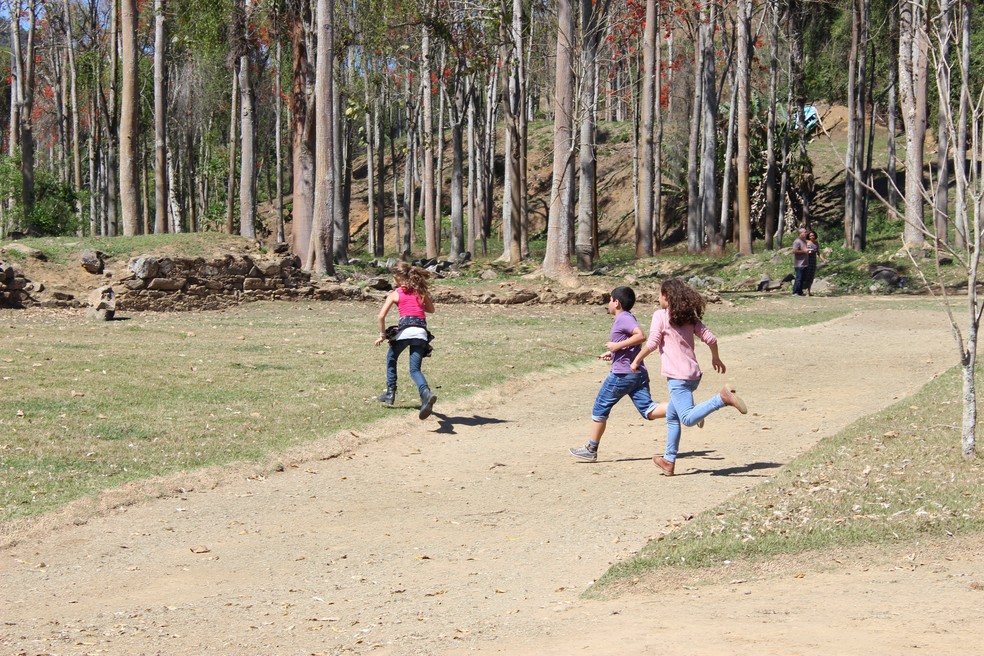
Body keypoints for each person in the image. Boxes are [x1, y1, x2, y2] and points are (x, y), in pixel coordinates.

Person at [631, 278, 748, 476]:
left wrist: (636, 361)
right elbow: (711, 338)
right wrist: (715, 357)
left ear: (666, 297)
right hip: (693, 375)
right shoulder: (689, 317)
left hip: (678, 378)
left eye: (660, 295)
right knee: (672, 416)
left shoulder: (660, 316)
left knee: (686, 418)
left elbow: (652, 343)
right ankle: (669, 460)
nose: (658, 298)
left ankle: (722, 398)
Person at [569, 286, 666, 462]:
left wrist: (616, 347)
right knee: (648, 410)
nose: (608, 303)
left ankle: (591, 449)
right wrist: (613, 353)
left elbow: (641, 336)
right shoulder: (626, 318)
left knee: (599, 408)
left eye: (610, 300)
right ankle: (684, 409)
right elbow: (630, 344)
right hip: (637, 373)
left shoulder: (623, 319)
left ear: (617, 302)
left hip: (622, 375)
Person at [373, 262, 438, 420]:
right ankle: (426, 394)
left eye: (394, 278)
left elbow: (381, 316)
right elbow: (431, 310)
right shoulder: (420, 291)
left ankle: (390, 392)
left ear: (398, 278)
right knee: (414, 370)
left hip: (404, 332)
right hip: (421, 333)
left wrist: (383, 334)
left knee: (392, 358)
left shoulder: (395, 293)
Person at [802, 230, 826, 296]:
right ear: (808, 236)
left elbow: (819, 253)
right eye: (810, 236)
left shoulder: (816, 243)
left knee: (811, 276)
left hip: (813, 261)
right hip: (806, 261)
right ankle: (803, 290)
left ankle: (809, 291)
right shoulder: (806, 242)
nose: (812, 237)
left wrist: (823, 260)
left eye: (813, 235)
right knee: (806, 275)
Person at [791, 227, 809, 296]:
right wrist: (804, 251)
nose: (806, 233)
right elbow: (794, 251)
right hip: (799, 264)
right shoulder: (797, 241)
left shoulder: (804, 241)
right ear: (800, 233)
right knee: (799, 278)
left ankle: (800, 292)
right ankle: (795, 292)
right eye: (805, 232)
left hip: (805, 263)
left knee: (803, 278)